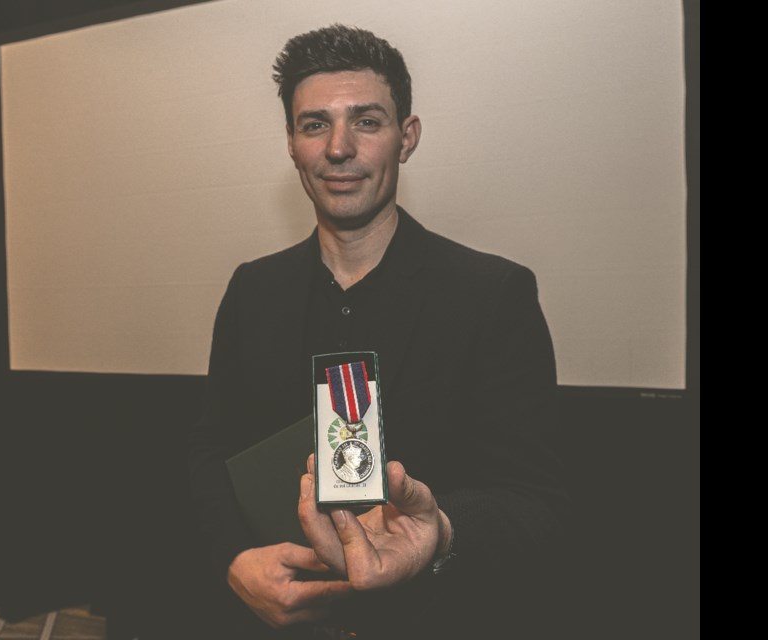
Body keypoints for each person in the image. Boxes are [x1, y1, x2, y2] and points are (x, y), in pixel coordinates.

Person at [188, 24, 567, 638]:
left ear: (406, 137)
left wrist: (440, 532)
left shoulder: (493, 295)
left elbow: (537, 502)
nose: (339, 148)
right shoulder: (251, 292)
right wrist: (234, 559)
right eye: (315, 125)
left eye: (366, 121)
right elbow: (210, 451)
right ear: (291, 143)